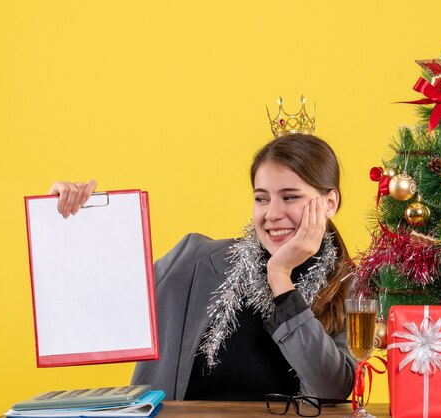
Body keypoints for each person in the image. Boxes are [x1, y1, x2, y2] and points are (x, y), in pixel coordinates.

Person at [48, 133, 355, 401]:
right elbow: (99, 308)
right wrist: (69, 225)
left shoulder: (351, 286)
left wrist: (280, 277)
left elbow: (331, 389)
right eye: (262, 199)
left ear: (329, 203)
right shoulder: (194, 262)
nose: (272, 213)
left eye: (290, 197)